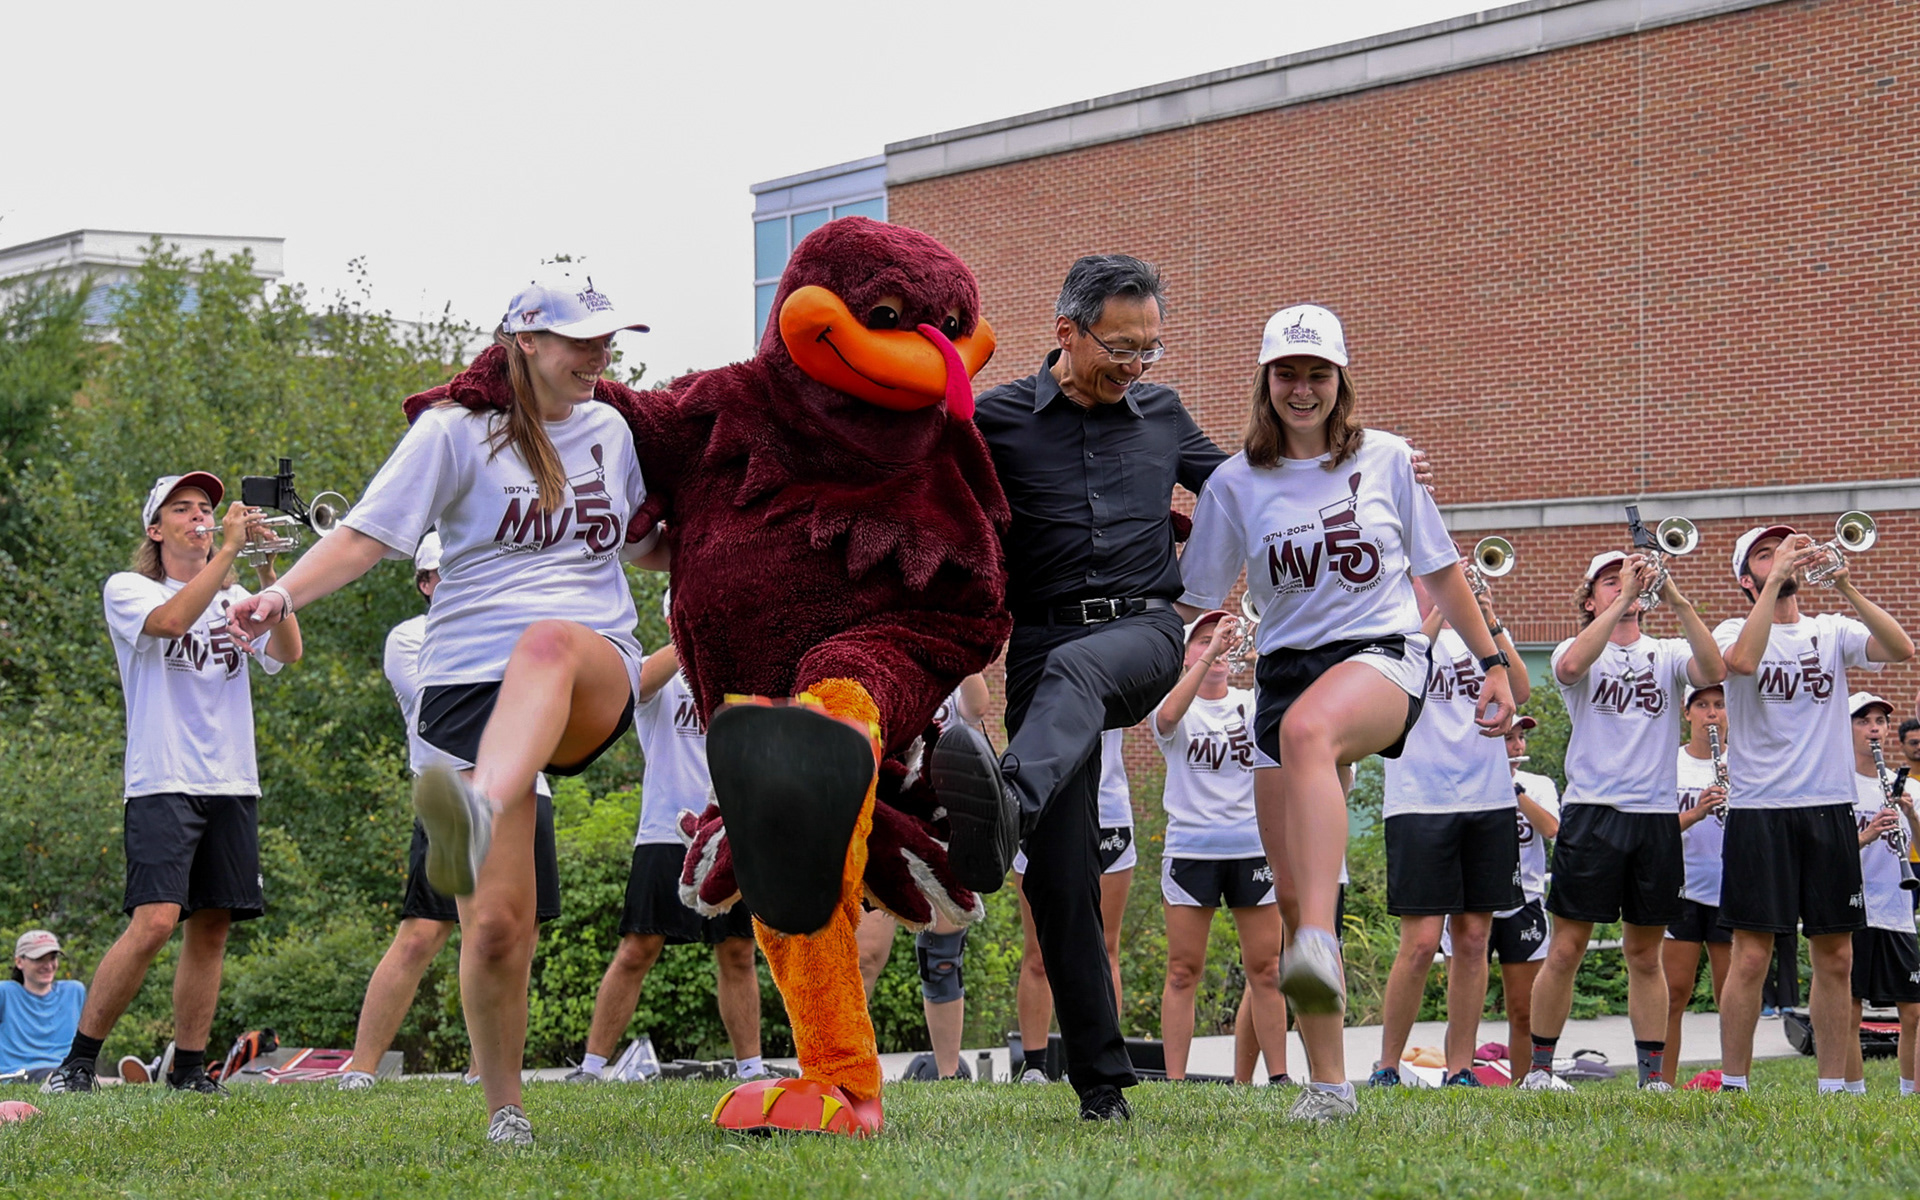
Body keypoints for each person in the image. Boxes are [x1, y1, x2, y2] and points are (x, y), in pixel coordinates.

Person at [226, 276, 657, 1144]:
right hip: (468, 690)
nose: (601, 356)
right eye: (582, 341)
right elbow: (364, 536)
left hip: (587, 664)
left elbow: (647, 542)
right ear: (527, 341)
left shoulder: (613, 428)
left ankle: (480, 799)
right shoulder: (453, 432)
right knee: (495, 928)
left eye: (608, 340)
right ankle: (506, 1111)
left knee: (547, 643)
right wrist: (280, 598)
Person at [1179, 302, 1512, 1122]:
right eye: (1287, 374)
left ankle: (1322, 939)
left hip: (1381, 654)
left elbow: (1440, 571)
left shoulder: (1389, 459)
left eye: (1318, 374)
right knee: (1291, 899)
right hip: (1284, 671)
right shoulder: (1234, 483)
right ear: (1265, 381)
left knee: (1310, 733)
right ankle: (1330, 1086)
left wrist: (1495, 663)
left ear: (1341, 380)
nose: (1302, 389)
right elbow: (1191, 599)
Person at [946, 254, 1225, 1122]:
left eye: (1150, 348)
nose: (1137, 365)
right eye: (1121, 346)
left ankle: (1006, 801)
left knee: (1078, 674)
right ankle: (1103, 1087)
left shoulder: (1164, 414)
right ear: (1066, 332)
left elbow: (1251, 484)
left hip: (1144, 633)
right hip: (1040, 642)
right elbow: (920, 486)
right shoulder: (997, 421)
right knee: (1061, 877)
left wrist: (1364, 473)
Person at [42, 473, 302, 1097]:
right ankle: (77, 1064)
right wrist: (231, 552)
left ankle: (188, 1069)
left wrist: (270, 577)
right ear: (155, 530)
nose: (198, 517)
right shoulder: (130, 588)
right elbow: (170, 620)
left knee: (211, 928)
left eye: (205, 507)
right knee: (155, 922)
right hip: (163, 779)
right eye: (182, 509)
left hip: (233, 780)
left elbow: (287, 653)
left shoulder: (236, 591)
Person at [337, 533, 564, 1091]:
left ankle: (486, 1069)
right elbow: (459, 707)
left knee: (517, 938)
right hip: (453, 796)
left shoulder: (511, 631)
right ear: (425, 583)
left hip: (525, 791)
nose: (463, 577)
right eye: (446, 570)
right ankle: (361, 1068)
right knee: (422, 933)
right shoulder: (409, 637)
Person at [1713, 524, 1913, 1094]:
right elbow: (1742, 662)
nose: (1783, 557)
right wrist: (1777, 576)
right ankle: (1734, 1084)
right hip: (1760, 808)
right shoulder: (1731, 629)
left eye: (1787, 548)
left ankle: (1833, 1088)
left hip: (1829, 806)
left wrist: (1846, 587)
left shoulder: (1831, 629)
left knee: (1836, 955)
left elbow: (1901, 649)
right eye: (1765, 554)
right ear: (1745, 579)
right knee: (1750, 956)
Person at [1524, 547, 1724, 1093]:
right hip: (1593, 812)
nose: (1623, 585)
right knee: (1567, 949)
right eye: (1609, 582)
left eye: (1628, 579)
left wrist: (1674, 596)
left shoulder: (1668, 653)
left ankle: (1652, 1078)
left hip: (1655, 817)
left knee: (1644, 954)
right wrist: (1625, 598)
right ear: (1590, 601)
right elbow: (1569, 668)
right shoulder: (1576, 648)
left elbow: (1714, 670)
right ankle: (1539, 1071)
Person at [568, 634, 765, 1085]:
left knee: (738, 951)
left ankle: (752, 1071)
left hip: (731, 832)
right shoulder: (663, 678)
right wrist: (691, 633)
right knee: (638, 948)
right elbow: (635, 683)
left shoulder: (741, 674)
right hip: (664, 830)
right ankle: (591, 1068)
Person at [1374, 576, 1529, 1089]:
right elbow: (1399, 684)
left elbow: (1520, 691)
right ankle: (1386, 1066)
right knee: (1420, 944)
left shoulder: (1482, 639)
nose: (1448, 586)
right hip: (1418, 801)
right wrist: (1444, 609)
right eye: (1437, 580)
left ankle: (1461, 1067)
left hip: (1487, 799)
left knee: (1474, 939)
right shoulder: (1394, 628)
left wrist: (1490, 621)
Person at [1150, 610, 1289, 1083]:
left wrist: (1258, 651)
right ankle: (1175, 1083)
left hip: (1252, 849)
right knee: (1183, 970)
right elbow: (1167, 718)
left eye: (1221, 638)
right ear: (1186, 654)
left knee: (1266, 969)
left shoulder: (1251, 702)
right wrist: (1210, 653)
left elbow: (1286, 695)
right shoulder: (1173, 705)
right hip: (1192, 851)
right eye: (1203, 639)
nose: (1217, 645)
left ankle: (1279, 1078)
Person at [856, 676, 990, 1082]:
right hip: (881, 814)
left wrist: (965, 655)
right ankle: (847, 1064)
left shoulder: (953, 672)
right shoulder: (881, 669)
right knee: (864, 956)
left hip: (940, 819)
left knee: (943, 956)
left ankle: (949, 1076)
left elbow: (978, 707)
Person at [1434, 716, 1560, 1084]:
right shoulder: (1464, 781)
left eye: (1520, 738)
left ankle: (1524, 1086)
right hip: (1470, 905)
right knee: (1463, 1011)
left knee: (1523, 1011)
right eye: (1508, 738)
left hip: (1524, 904)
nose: (1517, 745)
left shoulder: (1538, 785)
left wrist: (1514, 792)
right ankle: (1458, 1079)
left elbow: (1552, 829)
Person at [1012, 727, 1136, 1083]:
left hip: (1107, 811)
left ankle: (1094, 1063)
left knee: (1103, 949)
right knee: (1037, 952)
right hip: (1039, 805)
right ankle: (1034, 1067)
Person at [1843, 692, 1920, 1095]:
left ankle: (1909, 1093)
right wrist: (1867, 834)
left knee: (1914, 1011)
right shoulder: (1835, 784)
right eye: (1863, 721)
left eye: (1880, 721)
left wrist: (1910, 815)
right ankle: (1853, 1094)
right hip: (1851, 909)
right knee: (1848, 1009)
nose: (1873, 728)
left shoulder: (1907, 787)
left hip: (1895, 909)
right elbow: (1824, 853)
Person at [1663, 684, 1731, 1081]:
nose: (1712, 714)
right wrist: (1695, 812)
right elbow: (1653, 831)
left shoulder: (1746, 763)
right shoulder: (1669, 762)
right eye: (1702, 705)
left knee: (1732, 998)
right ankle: (1661, 1084)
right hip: (1682, 890)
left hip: (1730, 891)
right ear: (1687, 713)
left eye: (1720, 705)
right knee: (1673, 994)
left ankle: (1735, 1081)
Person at [0, 932, 85, 1082]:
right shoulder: (6, 992)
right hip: (20, 1074)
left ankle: (127, 1076)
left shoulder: (74, 991)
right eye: (39, 959)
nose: (48, 966)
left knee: (83, 1076)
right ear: (19, 962)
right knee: (64, 1076)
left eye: (52, 958)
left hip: (67, 1070)